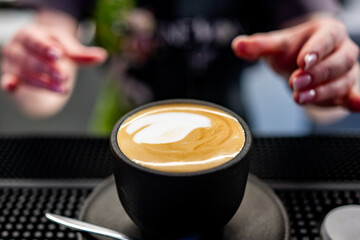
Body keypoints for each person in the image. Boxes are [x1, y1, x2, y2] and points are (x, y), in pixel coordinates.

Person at [1, 0, 359, 129]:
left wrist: (323, 77)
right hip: (117, 143)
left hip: (230, 144)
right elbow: (41, 96)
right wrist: (38, 67)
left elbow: (322, 110)